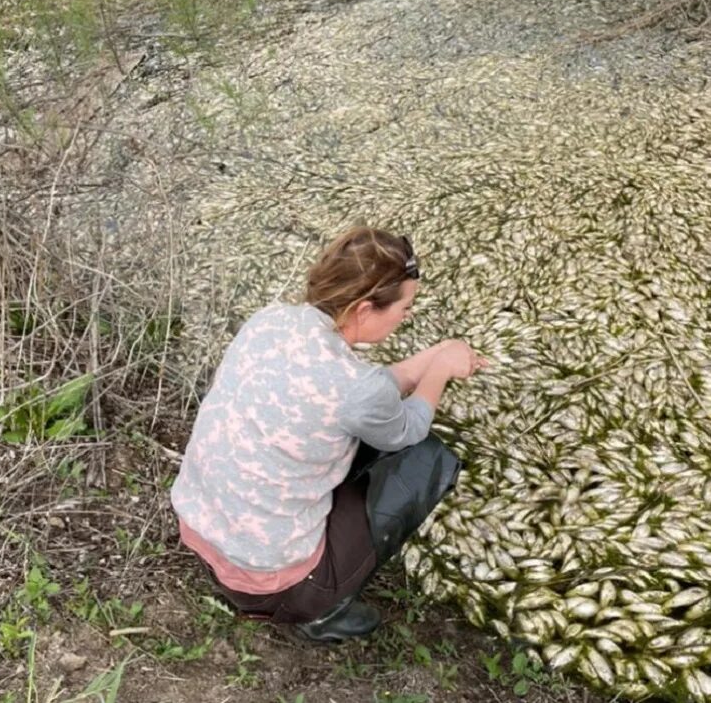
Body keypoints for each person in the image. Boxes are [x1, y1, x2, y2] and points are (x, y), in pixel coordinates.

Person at [170, 226, 487, 641]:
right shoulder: (357, 388)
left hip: (200, 528)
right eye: (404, 308)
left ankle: (277, 585)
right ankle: (316, 610)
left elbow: (351, 393)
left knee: (358, 442)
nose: (406, 317)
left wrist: (429, 357)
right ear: (364, 309)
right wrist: (441, 372)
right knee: (426, 457)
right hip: (267, 579)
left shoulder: (272, 320)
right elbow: (407, 427)